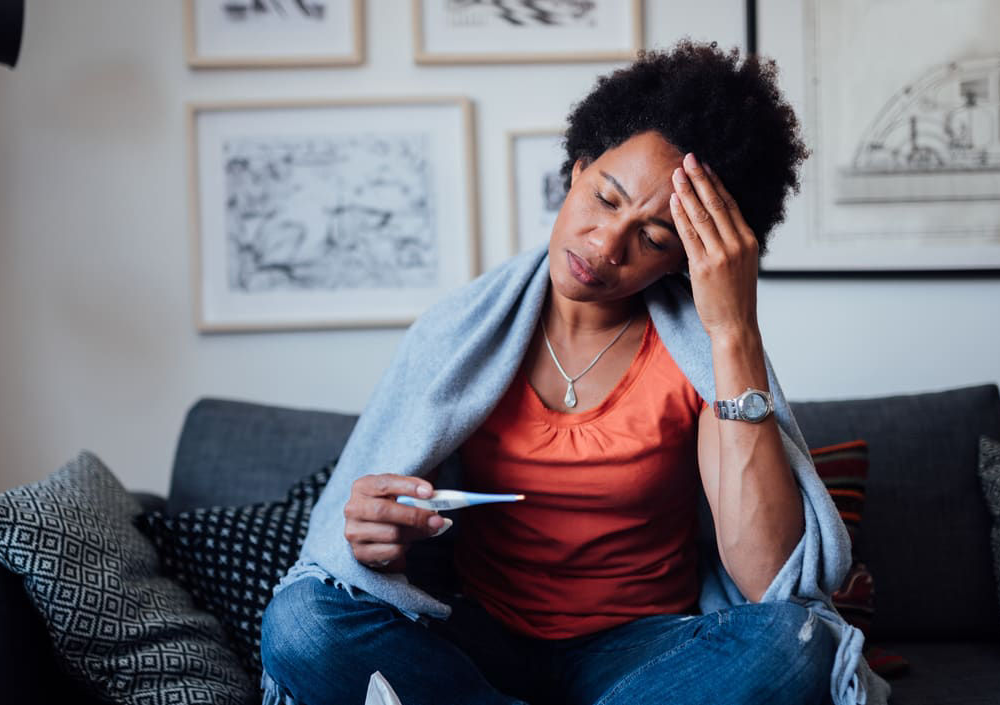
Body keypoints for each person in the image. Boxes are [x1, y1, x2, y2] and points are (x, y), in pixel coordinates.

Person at [259, 39, 880, 705]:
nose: (606, 244)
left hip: (643, 653)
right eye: (607, 198)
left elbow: (768, 581)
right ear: (578, 168)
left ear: (686, 261)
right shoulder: (459, 336)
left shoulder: (699, 356)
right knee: (300, 623)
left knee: (799, 644)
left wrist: (734, 331)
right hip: (477, 643)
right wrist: (376, 541)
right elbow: (369, 553)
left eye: (653, 238)